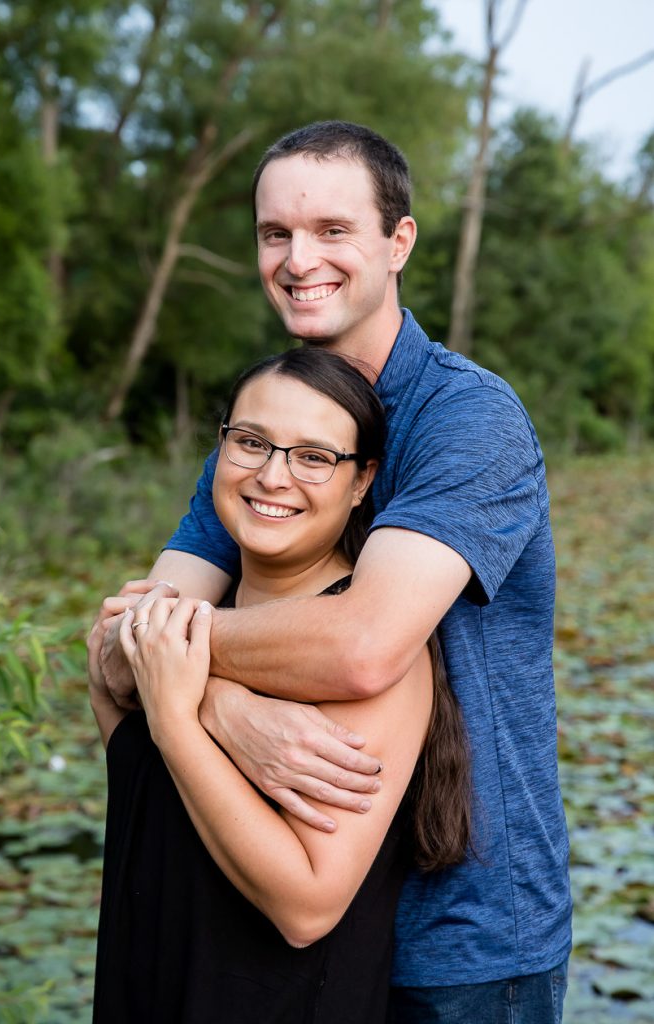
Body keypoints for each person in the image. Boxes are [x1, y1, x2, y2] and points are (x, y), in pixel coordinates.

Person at [90, 121, 572, 1022]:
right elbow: (115, 648)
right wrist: (228, 708)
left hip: (459, 939)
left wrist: (176, 676)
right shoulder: (269, 432)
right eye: (276, 233)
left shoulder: (467, 420)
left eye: (331, 230)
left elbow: (361, 648)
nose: (298, 257)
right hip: (282, 937)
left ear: (398, 242)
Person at [89, 346, 471, 1023]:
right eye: (251, 442)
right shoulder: (183, 626)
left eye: (314, 456)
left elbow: (307, 907)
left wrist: (178, 720)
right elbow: (109, 675)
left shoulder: (367, 657)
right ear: (220, 449)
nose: (272, 476)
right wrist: (212, 697)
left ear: (362, 481)